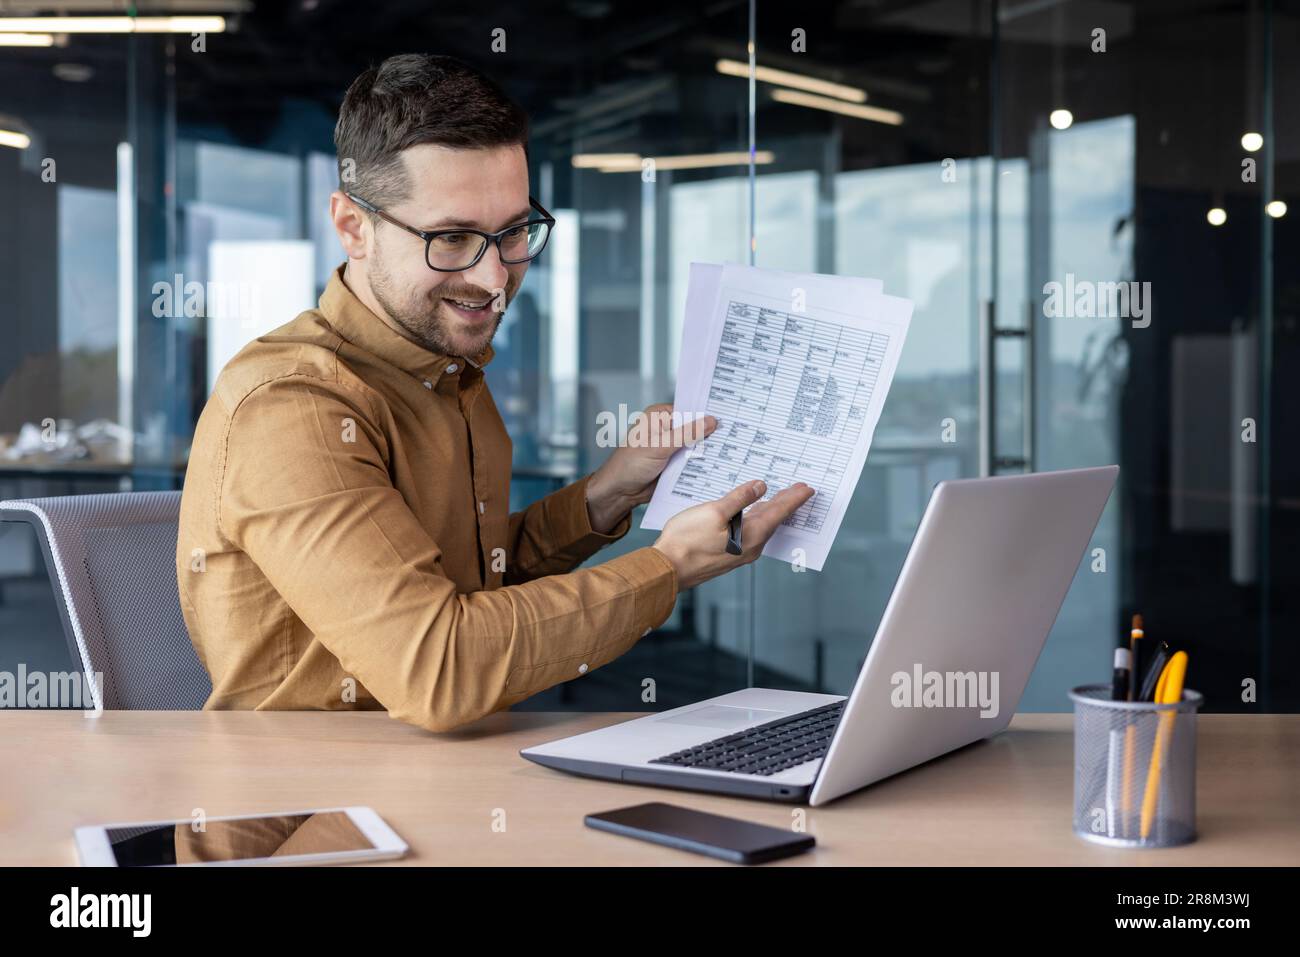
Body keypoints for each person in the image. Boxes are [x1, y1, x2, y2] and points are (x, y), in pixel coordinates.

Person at [176, 53, 814, 732]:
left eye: (513, 232)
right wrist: (668, 568)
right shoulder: (292, 406)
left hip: (455, 779)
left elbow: (477, 576)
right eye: (451, 238)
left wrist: (610, 492)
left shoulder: (446, 366)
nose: (493, 279)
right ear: (353, 226)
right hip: (314, 809)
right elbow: (442, 666)